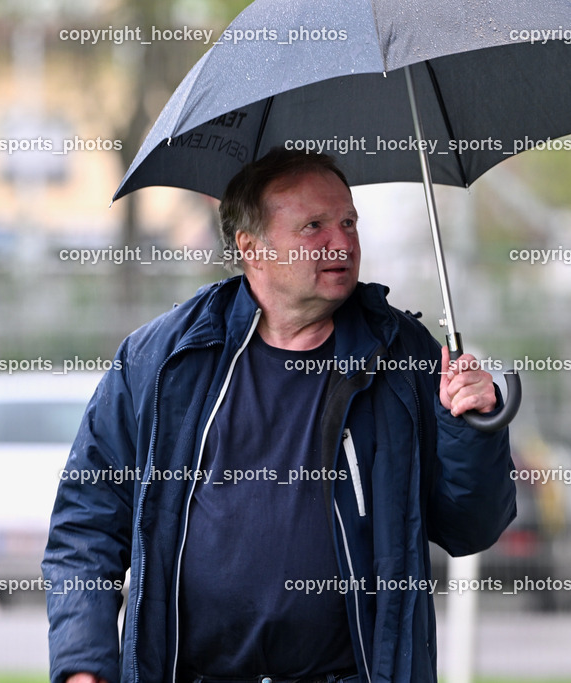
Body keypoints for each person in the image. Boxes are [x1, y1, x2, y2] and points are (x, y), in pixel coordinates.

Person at [43, 148, 516, 683]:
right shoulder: (161, 360)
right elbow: (85, 526)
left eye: (348, 222)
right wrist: (84, 666)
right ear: (252, 247)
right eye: (313, 226)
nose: (341, 242)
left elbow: (471, 528)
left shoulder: (403, 355)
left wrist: (471, 427)